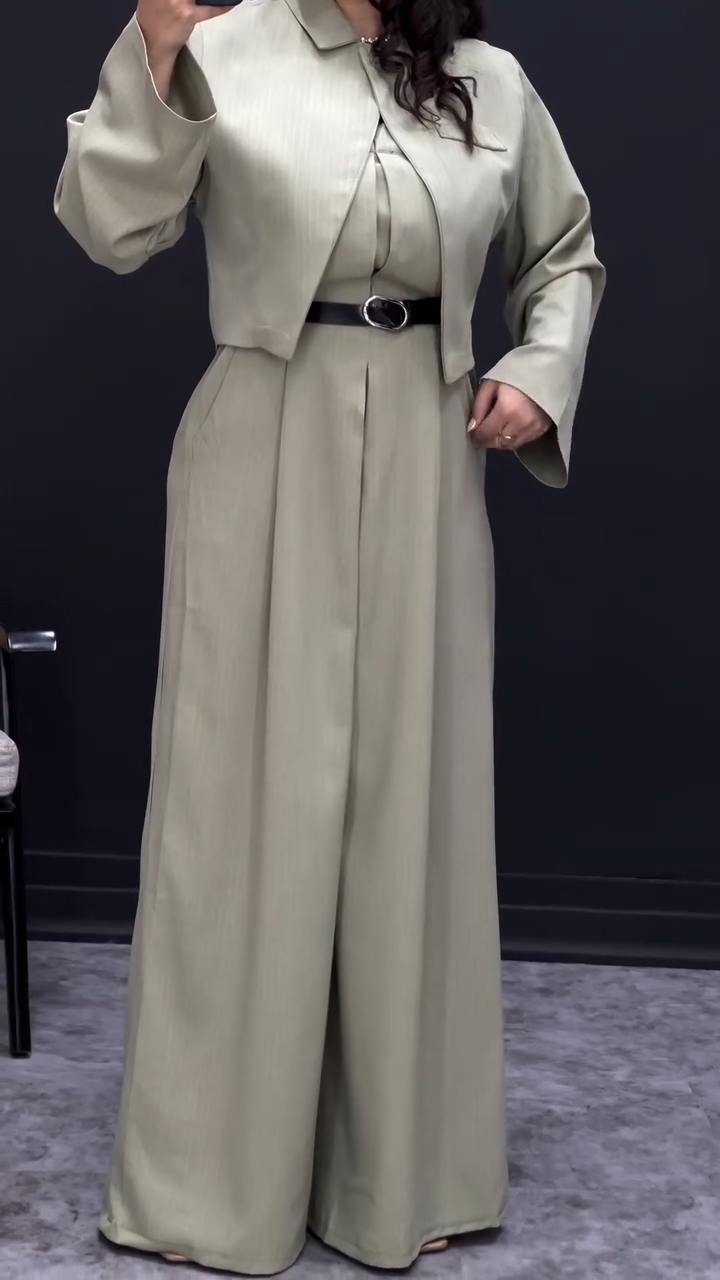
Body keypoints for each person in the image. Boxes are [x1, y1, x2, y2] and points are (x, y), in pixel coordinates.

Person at [54, 0, 605, 1272]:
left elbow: (564, 252)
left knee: (409, 800)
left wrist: (541, 367)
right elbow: (106, 223)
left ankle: (398, 1174)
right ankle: (211, 1182)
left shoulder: (490, 79)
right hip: (263, 430)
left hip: (430, 444)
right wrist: (155, 50)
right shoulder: (221, 41)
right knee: (241, 805)